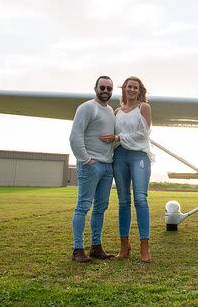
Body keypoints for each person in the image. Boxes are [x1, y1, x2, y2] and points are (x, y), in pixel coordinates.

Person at [101, 76, 154, 263]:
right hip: (120, 156)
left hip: (138, 155)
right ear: (124, 89)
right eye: (129, 87)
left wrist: (117, 137)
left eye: (135, 87)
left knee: (140, 198)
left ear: (139, 90)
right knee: (123, 201)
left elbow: (143, 134)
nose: (132, 89)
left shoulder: (144, 108)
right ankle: (124, 245)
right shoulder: (117, 111)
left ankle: (144, 247)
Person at [69, 75, 117, 263]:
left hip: (107, 166)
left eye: (109, 89)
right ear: (95, 88)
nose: (105, 91)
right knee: (83, 206)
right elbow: (75, 136)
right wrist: (86, 159)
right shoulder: (87, 107)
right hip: (91, 165)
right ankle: (77, 250)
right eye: (102, 87)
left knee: (101, 207)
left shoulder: (111, 110)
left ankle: (96, 247)